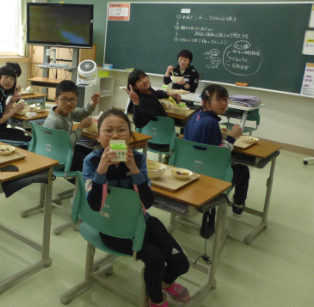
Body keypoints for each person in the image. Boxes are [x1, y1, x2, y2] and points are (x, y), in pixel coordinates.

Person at [83, 110, 190, 307]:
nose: (115, 135)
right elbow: (95, 205)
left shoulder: (139, 160)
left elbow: (147, 202)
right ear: (98, 136)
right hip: (111, 227)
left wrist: (133, 168)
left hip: (142, 220)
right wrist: (102, 170)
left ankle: (165, 282)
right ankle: (156, 300)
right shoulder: (91, 161)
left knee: (181, 262)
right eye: (108, 131)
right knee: (155, 260)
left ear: (130, 136)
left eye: (121, 130)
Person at [183, 84, 250, 217]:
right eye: (219, 99)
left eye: (225, 99)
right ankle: (238, 206)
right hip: (207, 175)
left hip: (189, 170)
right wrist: (231, 138)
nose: (224, 103)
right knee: (243, 170)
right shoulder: (211, 122)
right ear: (205, 102)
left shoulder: (194, 117)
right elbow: (219, 156)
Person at [43, 80, 101, 173]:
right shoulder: (56, 121)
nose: (69, 103)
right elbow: (68, 144)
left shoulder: (65, 111)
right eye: (64, 99)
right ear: (56, 100)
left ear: (77, 100)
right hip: (60, 160)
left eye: (72, 99)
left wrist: (93, 103)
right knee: (93, 162)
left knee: (96, 155)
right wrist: (81, 127)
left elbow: (82, 113)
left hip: (65, 151)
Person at [0, 65, 31, 143]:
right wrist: (15, 109)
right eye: (6, 77)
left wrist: (11, 102)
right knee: (29, 140)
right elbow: (0, 121)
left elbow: (2, 115)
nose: (9, 81)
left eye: (12, 79)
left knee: (21, 133)